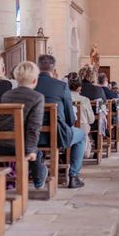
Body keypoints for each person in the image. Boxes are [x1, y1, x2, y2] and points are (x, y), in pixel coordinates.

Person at [35, 55, 86, 189]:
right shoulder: (61, 86)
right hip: (58, 135)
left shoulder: (31, 85)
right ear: (54, 68)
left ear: (37, 67)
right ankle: (73, 176)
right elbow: (69, 119)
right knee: (81, 135)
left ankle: (37, 168)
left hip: (33, 137)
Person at [0, 61, 48, 190]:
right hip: (19, 146)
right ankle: (38, 181)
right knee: (37, 153)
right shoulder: (37, 97)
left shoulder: (5, 95)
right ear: (35, 80)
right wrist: (30, 150)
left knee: (36, 152)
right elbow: (34, 127)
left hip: (0, 144)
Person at [68, 73, 95, 157]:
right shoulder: (85, 100)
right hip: (82, 127)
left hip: (67, 128)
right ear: (79, 87)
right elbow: (91, 120)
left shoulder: (64, 98)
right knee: (84, 129)